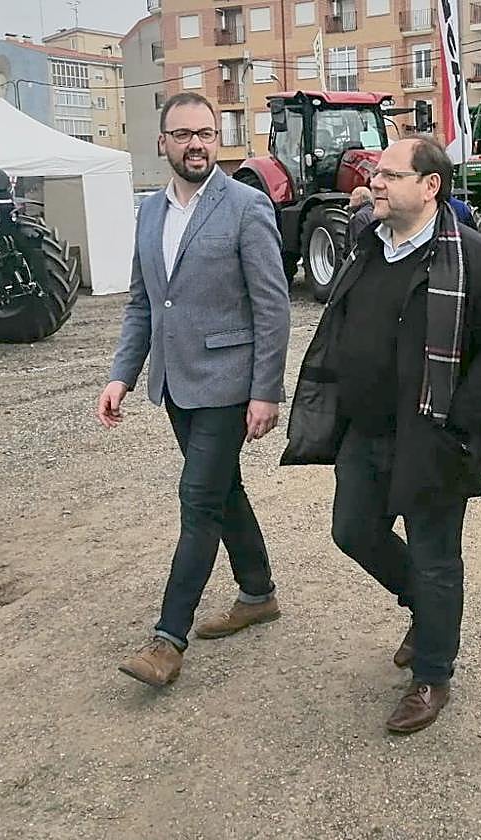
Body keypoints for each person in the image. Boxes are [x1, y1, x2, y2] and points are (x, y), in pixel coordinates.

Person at [282, 138, 481, 734]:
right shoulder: (366, 242)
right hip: (365, 427)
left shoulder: (476, 259)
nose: (373, 182)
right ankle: (427, 614)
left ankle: (433, 672)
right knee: (353, 530)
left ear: (430, 186)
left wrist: (464, 424)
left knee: (435, 558)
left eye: (388, 174)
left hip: (432, 434)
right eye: (376, 173)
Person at [97, 92, 292, 688]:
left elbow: (272, 305)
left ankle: (167, 640)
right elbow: (143, 303)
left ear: (217, 139)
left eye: (205, 133)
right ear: (163, 144)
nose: (196, 143)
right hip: (176, 386)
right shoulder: (150, 213)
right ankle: (257, 592)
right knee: (223, 491)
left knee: (198, 501)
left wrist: (266, 390)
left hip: (229, 385)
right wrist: (121, 375)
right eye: (183, 134)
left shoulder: (246, 206)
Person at [346, 186, 376, 251]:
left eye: (352, 195)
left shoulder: (359, 217)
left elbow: (358, 244)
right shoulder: (375, 213)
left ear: (360, 198)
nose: (350, 198)